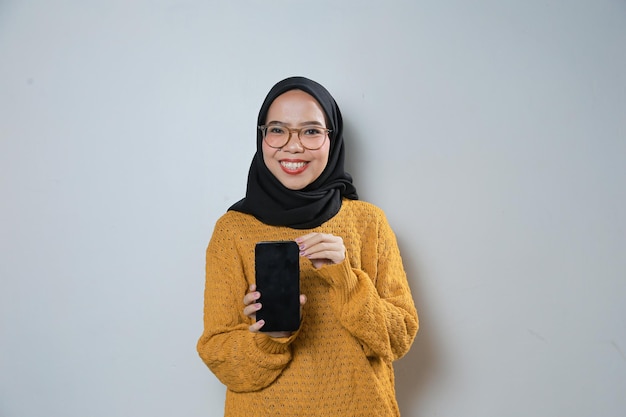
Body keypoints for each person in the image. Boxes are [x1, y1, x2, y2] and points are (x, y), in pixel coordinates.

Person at [197, 76, 419, 416]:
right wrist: (271, 336)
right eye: (277, 130)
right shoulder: (232, 231)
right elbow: (220, 358)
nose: (294, 145)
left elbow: (397, 339)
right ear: (262, 137)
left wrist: (347, 281)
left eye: (311, 131)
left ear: (333, 139)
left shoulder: (368, 223)